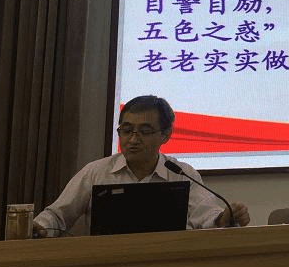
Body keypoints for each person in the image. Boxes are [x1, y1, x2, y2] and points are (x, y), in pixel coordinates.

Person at [33, 95, 250, 237]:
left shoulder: (182, 174)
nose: (133, 139)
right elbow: (57, 215)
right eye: (127, 130)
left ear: (165, 135)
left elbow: (207, 215)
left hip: (170, 266)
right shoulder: (96, 172)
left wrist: (224, 218)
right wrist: (39, 227)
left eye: (144, 131)